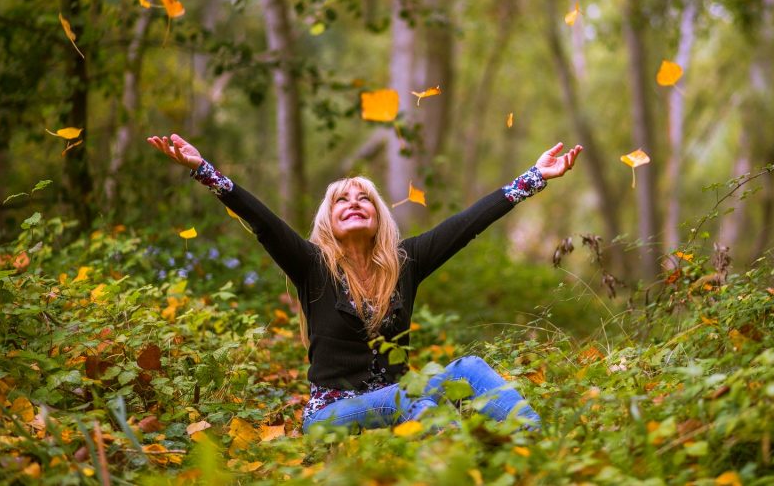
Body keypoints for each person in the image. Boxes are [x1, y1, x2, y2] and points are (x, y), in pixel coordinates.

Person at [147, 133, 582, 435]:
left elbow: (467, 223)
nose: (354, 203)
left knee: (462, 373)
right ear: (328, 221)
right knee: (419, 403)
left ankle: (535, 444)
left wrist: (535, 177)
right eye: (342, 200)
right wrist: (203, 169)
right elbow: (261, 220)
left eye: (364, 199)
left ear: (378, 217)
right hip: (331, 414)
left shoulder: (405, 263)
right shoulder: (312, 265)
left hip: (403, 399)